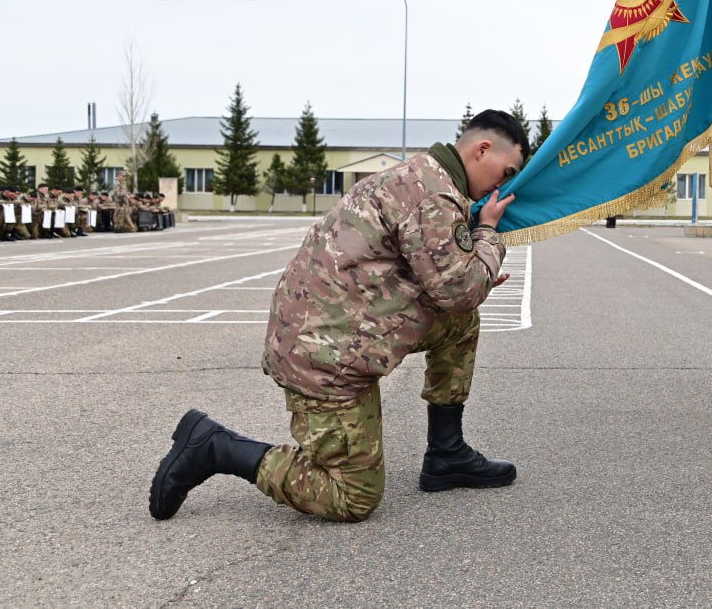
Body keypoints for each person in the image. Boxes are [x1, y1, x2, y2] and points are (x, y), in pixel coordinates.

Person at [149, 109, 529, 523]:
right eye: (506, 171)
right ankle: (216, 447)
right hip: (324, 358)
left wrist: (471, 273)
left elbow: (451, 289)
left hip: (328, 332)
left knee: (459, 325)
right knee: (353, 497)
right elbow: (460, 289)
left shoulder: (424, 177)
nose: (504, 183)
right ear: (482, 149)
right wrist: (488, 233)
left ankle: (446, 453)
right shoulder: (432, 195)